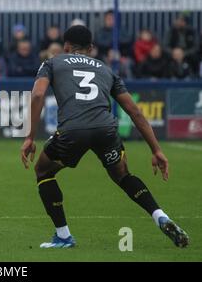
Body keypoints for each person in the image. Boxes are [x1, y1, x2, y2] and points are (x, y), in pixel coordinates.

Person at [21, 25, 189, 249]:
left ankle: (63, 236)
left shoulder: (53, 62)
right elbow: (134, 111)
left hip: (73, 131)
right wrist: (156, 150)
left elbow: (38, 94)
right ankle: (160, 216)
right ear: (91, 48)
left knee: (43, 171)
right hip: (107, 130)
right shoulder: (106, 69)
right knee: (122, 175)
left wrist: (30, 137)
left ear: (66, 46)